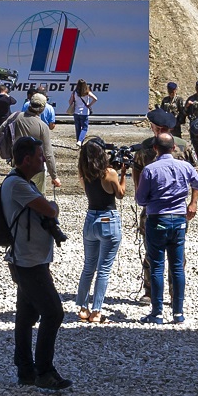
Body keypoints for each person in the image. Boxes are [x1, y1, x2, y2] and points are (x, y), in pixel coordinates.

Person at [2, 135, 70, 390]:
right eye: (40, 156)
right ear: (27, 159)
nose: (44, 160)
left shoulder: (21, 182)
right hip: (28, 262)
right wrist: (53, 206)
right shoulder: (18, 185)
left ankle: (25, 370)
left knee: (26, 315)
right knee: (53, 313)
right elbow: (49, 209)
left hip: (29, 259)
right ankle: (44, 371)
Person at [135, 132, 198, 325]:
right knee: (177, 266)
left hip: (157, 219)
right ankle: (178, 312)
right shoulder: (185, 166)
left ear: (155, 148)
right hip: (179, 220)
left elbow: (140, 199)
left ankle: (157, 312)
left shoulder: (150, 170)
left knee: (157, 266)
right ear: (174, 148)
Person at [74, 138, 127, 323]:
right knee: (103, 269)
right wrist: (123, 174)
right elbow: (120, 194)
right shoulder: (109, 173)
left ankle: (82, 307)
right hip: (108, 219)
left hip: (91, 218)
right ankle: (96, 311)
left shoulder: (83, 173)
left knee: (88, 266)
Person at [4, 93, 59, 191]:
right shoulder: (42, 126)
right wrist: (54, 176)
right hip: (36, 167)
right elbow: (48, 153)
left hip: (18, 164)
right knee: (38, 198)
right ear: (42, 108)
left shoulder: (15, 116)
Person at [69, 80, 96, 144]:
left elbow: (70, 102)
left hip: (76, 112)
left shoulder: (74, 92)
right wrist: (89, 105)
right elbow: (95, 99)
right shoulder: (87, 92)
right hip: (84, 112)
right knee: (84, 128)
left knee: (77, 128)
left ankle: (79, 141)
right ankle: (80, 141)